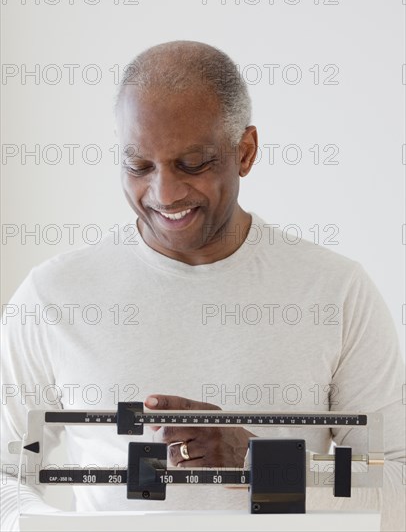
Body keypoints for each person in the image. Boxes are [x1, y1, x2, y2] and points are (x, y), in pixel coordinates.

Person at [1, 40, 405, 531]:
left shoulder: (335, 291)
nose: (165, 194)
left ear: (246, 152)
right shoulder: (52, 295)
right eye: (139, 166)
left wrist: (257, 464)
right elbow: (6, 472)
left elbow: (398, 484)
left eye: (193, 164)